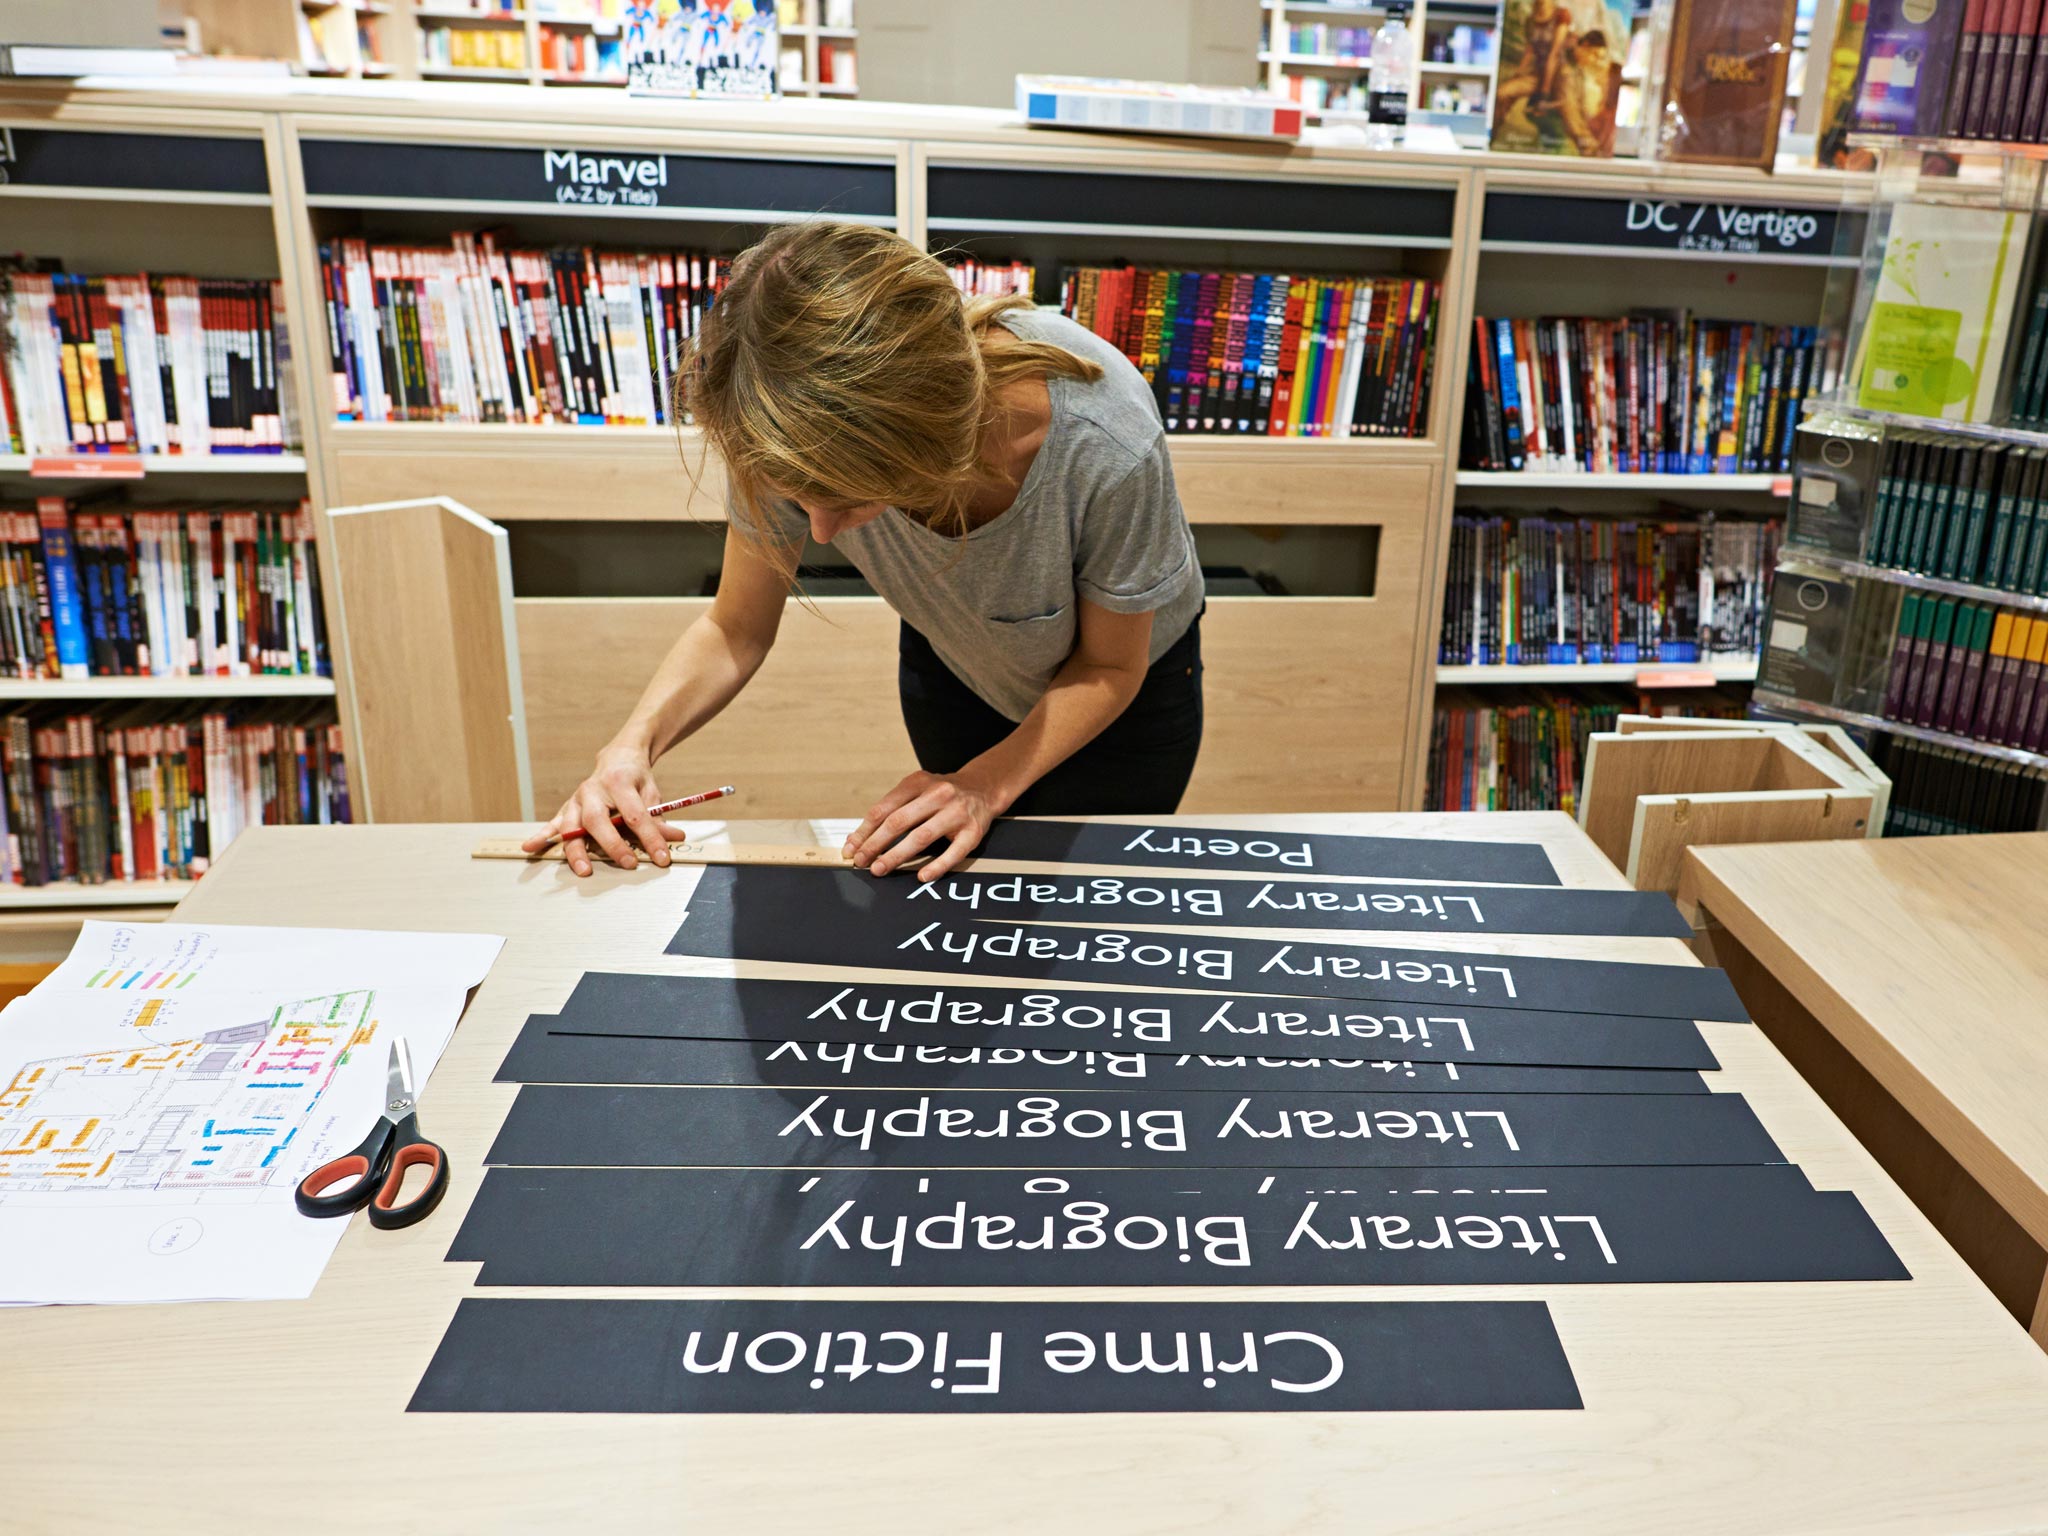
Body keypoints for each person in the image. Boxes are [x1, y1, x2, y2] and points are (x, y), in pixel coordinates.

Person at [524, 221, 1206, 882]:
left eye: (848, 500)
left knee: (1079, 927)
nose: (821, 532)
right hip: (958, 665)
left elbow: (1112, 666)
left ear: (928, 440)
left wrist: (985, 786)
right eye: (802, 497)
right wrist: (630, 746)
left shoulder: (1106, 438)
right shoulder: (779, 414)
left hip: (1121, 699)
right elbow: (734, 626)